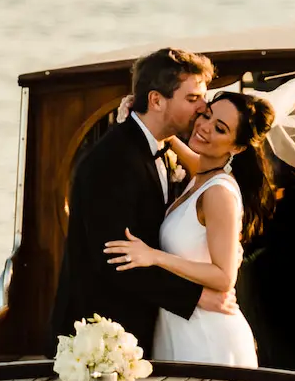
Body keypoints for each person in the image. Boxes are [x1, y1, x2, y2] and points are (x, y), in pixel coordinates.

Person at [48, 47, 212, 349]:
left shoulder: (161, 148)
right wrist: (197, 297)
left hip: (147, 328)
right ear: (156, 100)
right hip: (102, 339)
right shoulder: (113, 161)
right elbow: (114, 258)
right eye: (192, 99)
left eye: (203, 97)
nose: (203, 107)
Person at [106, 89, 276, 366]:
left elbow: (224, 277)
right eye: (206, 115)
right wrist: (154, 123)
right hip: (180, 325)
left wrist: (155, 256)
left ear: (237, 147)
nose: (205, 128)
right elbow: (192, 159)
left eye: (219, 128)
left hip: (208, 337)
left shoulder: (219, 193)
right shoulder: (203, 174)